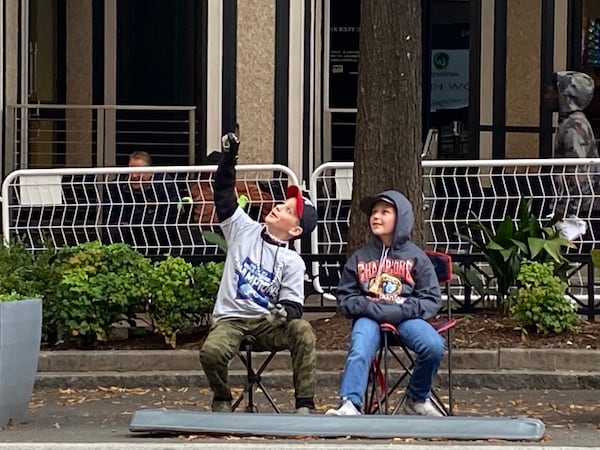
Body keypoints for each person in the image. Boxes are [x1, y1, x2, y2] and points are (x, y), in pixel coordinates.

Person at [198, 132, 319, 414]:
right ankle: (222, 397)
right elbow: (224, 192)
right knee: (211, 352)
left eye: (288, 210)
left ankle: (305, 403)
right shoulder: (242, 229)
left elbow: (294, 305)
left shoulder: (292, 261)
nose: (278, 206)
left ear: (295, 230)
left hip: (266, 325)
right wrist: (229, 158)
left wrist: (283, 314)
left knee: (303, 331)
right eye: (282, 203)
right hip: (231, 321)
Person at [325, 190, 445, 416]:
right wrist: (370, 308)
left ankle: (417, 399)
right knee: (360, 348)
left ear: (401, 218)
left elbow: (430, 298)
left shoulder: (417, 257)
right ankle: (350, 403)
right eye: (374, 212)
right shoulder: (360, 257)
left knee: (433, 345)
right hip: (368, 317)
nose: (376, 217)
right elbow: (345, 297)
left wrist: (400, 311)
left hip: (405, 318)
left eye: (385, 212)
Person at [545, 71, 600, 221]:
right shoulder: (573, 122)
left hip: (580, 210)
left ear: (565, 95)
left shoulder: (573, 126)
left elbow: (579, 174)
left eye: (552, 91)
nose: (547, 96)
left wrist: (568, 210)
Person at [104, 151, 181, 252]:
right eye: (131, 171)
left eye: (140, 171)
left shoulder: (165, 185)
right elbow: (112, 217)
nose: (134, 176)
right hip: (126, 239)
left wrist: (136, 220)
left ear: (150, 172)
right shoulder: (116, 187)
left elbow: (168, 218)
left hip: (159, 239)